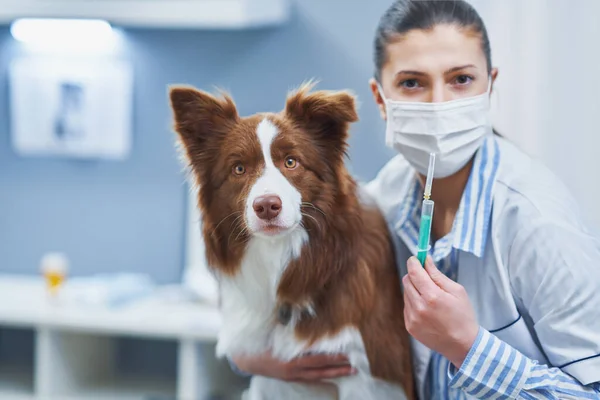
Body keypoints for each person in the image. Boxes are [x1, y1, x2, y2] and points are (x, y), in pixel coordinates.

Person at [231, 0, 600, 398]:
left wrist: (469, 347)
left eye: (461, 79)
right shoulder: (383, 199)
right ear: (379, 98)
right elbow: (278, 286)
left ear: (490, 85)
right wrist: (248, 357)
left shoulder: (537, 224)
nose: (439, 104)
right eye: (412, 83)